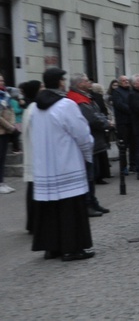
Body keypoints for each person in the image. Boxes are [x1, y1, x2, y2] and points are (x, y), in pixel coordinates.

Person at [31, 68, 95, 261]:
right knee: (70, 208)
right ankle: (72, 248)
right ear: (59, 82)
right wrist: (87, 154)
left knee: (50, 209)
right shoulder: (66, 105)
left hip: (45, 166)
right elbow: (82, 134)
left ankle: (52, 247)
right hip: (67, 163)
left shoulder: (35, 107)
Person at [67, 73, 110, 217]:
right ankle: (87, 204)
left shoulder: (85, 97)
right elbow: (91, 118)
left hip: (94, 140)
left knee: (93, 174)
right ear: (79, 84)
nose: (90, 83)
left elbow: (97, 113)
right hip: (87, 141)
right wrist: (107, 123)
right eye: (86, 81)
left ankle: (92, 201)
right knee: (88, 176)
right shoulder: (78, 99)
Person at [20, 80, 42, 233]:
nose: (43, 89)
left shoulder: (31, 107)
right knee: (35, 190)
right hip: (36, 154)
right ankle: (35, 223)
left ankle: (33, 223)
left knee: (32, 189)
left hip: (34, 153)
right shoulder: (34, 108)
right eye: (41, 87)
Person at [111, 75, 136, 175]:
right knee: (123, 146)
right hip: (123, 122)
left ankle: (133, 165)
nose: (126, 82)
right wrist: (132, 110)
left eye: (127, 80)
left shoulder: (130, 91)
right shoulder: (117, 92)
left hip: (132, 121)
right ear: (120, 82)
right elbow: (119, 104)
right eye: (124, 80)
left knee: (133, 145)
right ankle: (123, 167)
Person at [0, 74, 19, 194]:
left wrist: (12, 125)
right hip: (2, 130)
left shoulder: (5, 95)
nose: (2, 82)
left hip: (6, 131)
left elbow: (11, 111)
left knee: (3, 158)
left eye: (2, 80)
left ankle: (2, 182)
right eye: (0, 80)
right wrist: (10, 126)